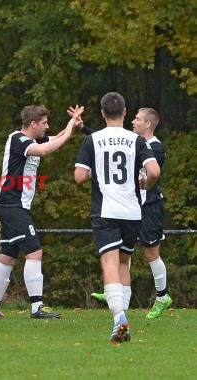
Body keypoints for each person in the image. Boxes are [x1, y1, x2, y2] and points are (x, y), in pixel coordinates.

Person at [0, 104, 83, 320]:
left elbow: (58, 137)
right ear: (33, 124)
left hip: (14, 206)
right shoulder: (18, 139)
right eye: (44, 123)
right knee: (35, 252)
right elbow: (46, 150)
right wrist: (67, 132)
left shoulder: (33, 140)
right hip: (12, 205)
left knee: (7, 258)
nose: (47, 127)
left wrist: (72, 124)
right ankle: (37, 307)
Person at [74, 92, 160, 343]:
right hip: (132, 212)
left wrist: (96, 174)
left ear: (102, 113)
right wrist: (146, 183)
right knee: (124, 263)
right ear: (124, 112)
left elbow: (79, 176)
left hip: (107, 211)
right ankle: (123, 316)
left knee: (109, 263)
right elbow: (154, 170)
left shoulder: (93, 139)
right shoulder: (136, 140)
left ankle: (119, 318)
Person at [82, 108, 172, 318]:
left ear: (148, 124)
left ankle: (162, 296)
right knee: (123, 250)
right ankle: (116, 291)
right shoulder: (133, 142)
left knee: (151, 253)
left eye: (138, 119)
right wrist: (84, 128)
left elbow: (147, 173)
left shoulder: (155, 147)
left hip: (149, 206)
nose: (133, 121)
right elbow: (107, 143)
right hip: (131, 205)